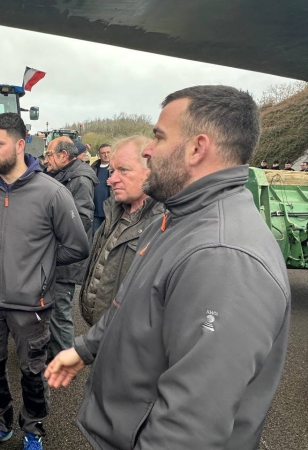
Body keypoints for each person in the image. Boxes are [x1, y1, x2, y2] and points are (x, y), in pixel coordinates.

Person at [46, 85, 291, 450]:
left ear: (197, 148)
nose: (148, 149)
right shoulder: (180, 217)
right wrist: (85, 348)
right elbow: (133, 305)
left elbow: (190, 425)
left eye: (159, 137)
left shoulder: (222, 255)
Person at [0, 113, 89, 450]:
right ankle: (0, 423)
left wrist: (40, 266)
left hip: (31, 306)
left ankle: (33, 430)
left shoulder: (53, 193)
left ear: (20, 145)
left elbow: (78, 246)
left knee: (33, 373)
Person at [80, 135, 163, 326]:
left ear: (151, 171)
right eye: (111, 171)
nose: (112, 180)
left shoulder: (163, 225)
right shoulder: (114, 211)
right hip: (100, 332)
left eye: (123, 170)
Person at [44, 137, 98, 361]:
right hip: (59, 254)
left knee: (60, 312)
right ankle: (52, 352)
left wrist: (50, 235)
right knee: (53, 309)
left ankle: (64, 360)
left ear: (63, 156)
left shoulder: (80, 180)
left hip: (67, 258)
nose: (46, 159)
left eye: (49, 154)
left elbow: (81, 219)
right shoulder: (63, 174)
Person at [90, 143, 112, 233]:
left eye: (108, 152)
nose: (106, 155)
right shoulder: (93, 169)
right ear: (99, 154)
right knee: (95, 238)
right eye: (103, 153)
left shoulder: (117, 168)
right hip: (96, 211)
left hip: (111, 212)